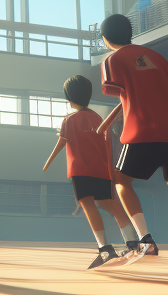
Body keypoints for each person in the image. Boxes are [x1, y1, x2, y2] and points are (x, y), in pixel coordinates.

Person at [96, 14, 168, 279]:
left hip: (142, 131)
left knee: (120, 181)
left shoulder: (112, 60)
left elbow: (123, 94)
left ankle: (145, 239)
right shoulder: (156, 57)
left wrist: (107, 124)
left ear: (106, 39)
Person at [43, 75, 139, 270]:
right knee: (109, 203)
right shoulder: (97, 117)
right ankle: (132, 242)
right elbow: (107, 143)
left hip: (80, 170)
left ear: (69, 97)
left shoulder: (69, 120)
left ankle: (104, 248)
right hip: (101, 169)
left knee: (87, 205)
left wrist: (48, 162)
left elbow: (61, 143)